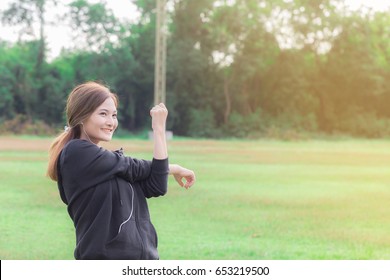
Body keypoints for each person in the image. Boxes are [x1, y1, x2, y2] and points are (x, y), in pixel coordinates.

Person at [47, 81, 195, 260]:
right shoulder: (77, 152)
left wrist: (159, 130)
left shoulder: (111, 165)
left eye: (114, 115)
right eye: (103, 114)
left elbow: (157, 184)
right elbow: (136, 167)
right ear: (81, 115)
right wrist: (173, 168)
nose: (111, 122)